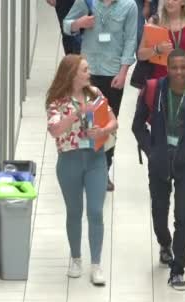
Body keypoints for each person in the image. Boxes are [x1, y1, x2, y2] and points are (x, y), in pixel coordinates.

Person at [132, 49, 185, 291]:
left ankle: (178, 270)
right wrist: (152, 151)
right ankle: (164, 243)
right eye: (174, 68)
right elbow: (137, 125)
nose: (179, 72)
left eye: (184, 68)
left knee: (183, 215)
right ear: (167, 69)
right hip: (159, 160)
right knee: (159, 213)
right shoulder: (155, 90)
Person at [46, 55, 118, 286]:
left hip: (96, 159)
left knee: (96, 211)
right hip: (69, 161)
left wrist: (103, 130)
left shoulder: (95, 93)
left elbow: (113, 120)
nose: (89, 73)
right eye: (85, 70)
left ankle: (96, 264)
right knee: (74, 211)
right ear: (73, 74)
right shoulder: (57, 101)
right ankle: (76, 258)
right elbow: (55, 130)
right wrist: (78, 113)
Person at [64, 0, 138, 191]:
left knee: (107, 125)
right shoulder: (87, 2)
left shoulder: (129, 6)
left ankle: (103, 170)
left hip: (112, 73)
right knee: (83, 122)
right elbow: (66, 25)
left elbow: (131, 39)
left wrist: (123, 72)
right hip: (87, 73)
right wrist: (78, 24)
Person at [136, 0, 185, 85]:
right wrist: (156, 49)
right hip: (160, 82)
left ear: (183, 2)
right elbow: (140, 55)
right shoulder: (155, 22)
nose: (169, 2)